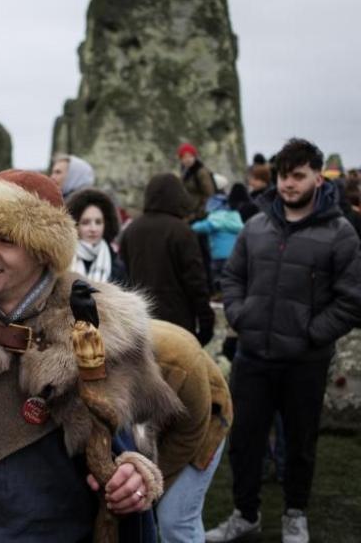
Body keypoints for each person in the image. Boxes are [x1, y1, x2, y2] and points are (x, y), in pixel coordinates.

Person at [0, 170, 181, 542]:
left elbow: (133, 441)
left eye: (6, 239)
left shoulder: (98, 322)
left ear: (42, 250)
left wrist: (134, 473)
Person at [207, 138, 361, 543]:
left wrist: (312, 334)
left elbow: (351, 299)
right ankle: (245, 513)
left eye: (298, 175)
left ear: (316, 176)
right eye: (282, 175)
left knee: (300, 443)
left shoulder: (340, 233)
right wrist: (241, 316)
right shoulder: (256, 226)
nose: (289, 184)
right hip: (253, 355)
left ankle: (295, 514)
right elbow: (233, 278)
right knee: (243, 440)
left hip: (304, 362)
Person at [148, 320, 232, 542]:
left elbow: (188, 436)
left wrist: (149, 478)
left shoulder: (180, 360)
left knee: (175, 518)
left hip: (206, 422)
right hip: (158, 428)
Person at [120, 173, 215, 346]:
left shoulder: (130, 231)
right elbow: (196, 282)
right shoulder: (182, 232)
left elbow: (125, 278)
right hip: (178, 325)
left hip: (141, 323)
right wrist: (206, 322)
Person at [190, 176, 244, 295]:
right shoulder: (234, 215)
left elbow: (201, 227)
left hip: (217, 255)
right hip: (234, 254)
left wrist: (189, 227)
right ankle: (233, 294)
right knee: (232, 277)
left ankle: (220, 295)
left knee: (218, 277)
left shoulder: (214, 218)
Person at [65, 188, 127, 285]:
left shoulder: (117, 266)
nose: (93, 229)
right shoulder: (63, 263)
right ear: (75, 225)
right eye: (85, 223)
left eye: (98, 222)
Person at [176, 142, 217, 222]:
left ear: (195, 157)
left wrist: (199, 214)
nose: (187, 159)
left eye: (190, 156)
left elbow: (209, 195)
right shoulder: (184, 174)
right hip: (189, 214)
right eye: (184, 157)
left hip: (200, 216)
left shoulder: (201, 172)